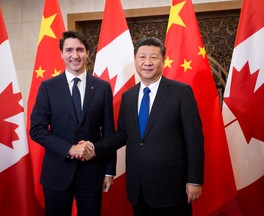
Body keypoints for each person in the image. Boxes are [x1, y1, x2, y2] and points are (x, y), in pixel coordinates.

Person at [79, 37, 204, 216]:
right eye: (142, 57)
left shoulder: (181, 92)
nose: (147, 62)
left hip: (172, 187)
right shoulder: (129, 96)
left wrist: (194, 180)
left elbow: (195, 140)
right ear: (135, 61)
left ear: (162, 60)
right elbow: (122, 135)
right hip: (138, 187)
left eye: (153, 57)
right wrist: (93, 147)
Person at [29, 30, 116, 216]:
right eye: (69, 50)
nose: (74, 55)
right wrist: (70, 149)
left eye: (80, 50)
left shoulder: (102, 88)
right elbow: (37, 130)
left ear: (88, 53)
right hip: (57, 174)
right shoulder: (48, 87)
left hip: (92, 173)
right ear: (61, 54)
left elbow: (109, 133)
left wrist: (109, 171)